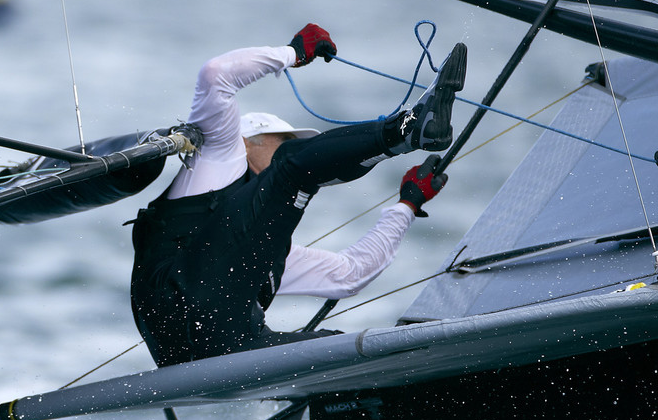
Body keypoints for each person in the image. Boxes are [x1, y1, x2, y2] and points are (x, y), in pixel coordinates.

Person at [129, 24, 464, 365]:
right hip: (181, 306)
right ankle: (406, 129)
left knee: (342, 350)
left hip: (218, 350)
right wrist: (293, 53)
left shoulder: (262, 248)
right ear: (245, 143)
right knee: (291, 168)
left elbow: (350, 274)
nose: (295, 148)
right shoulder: (216, 158)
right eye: (283, 140)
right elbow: (216, 76)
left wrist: (408, 204)